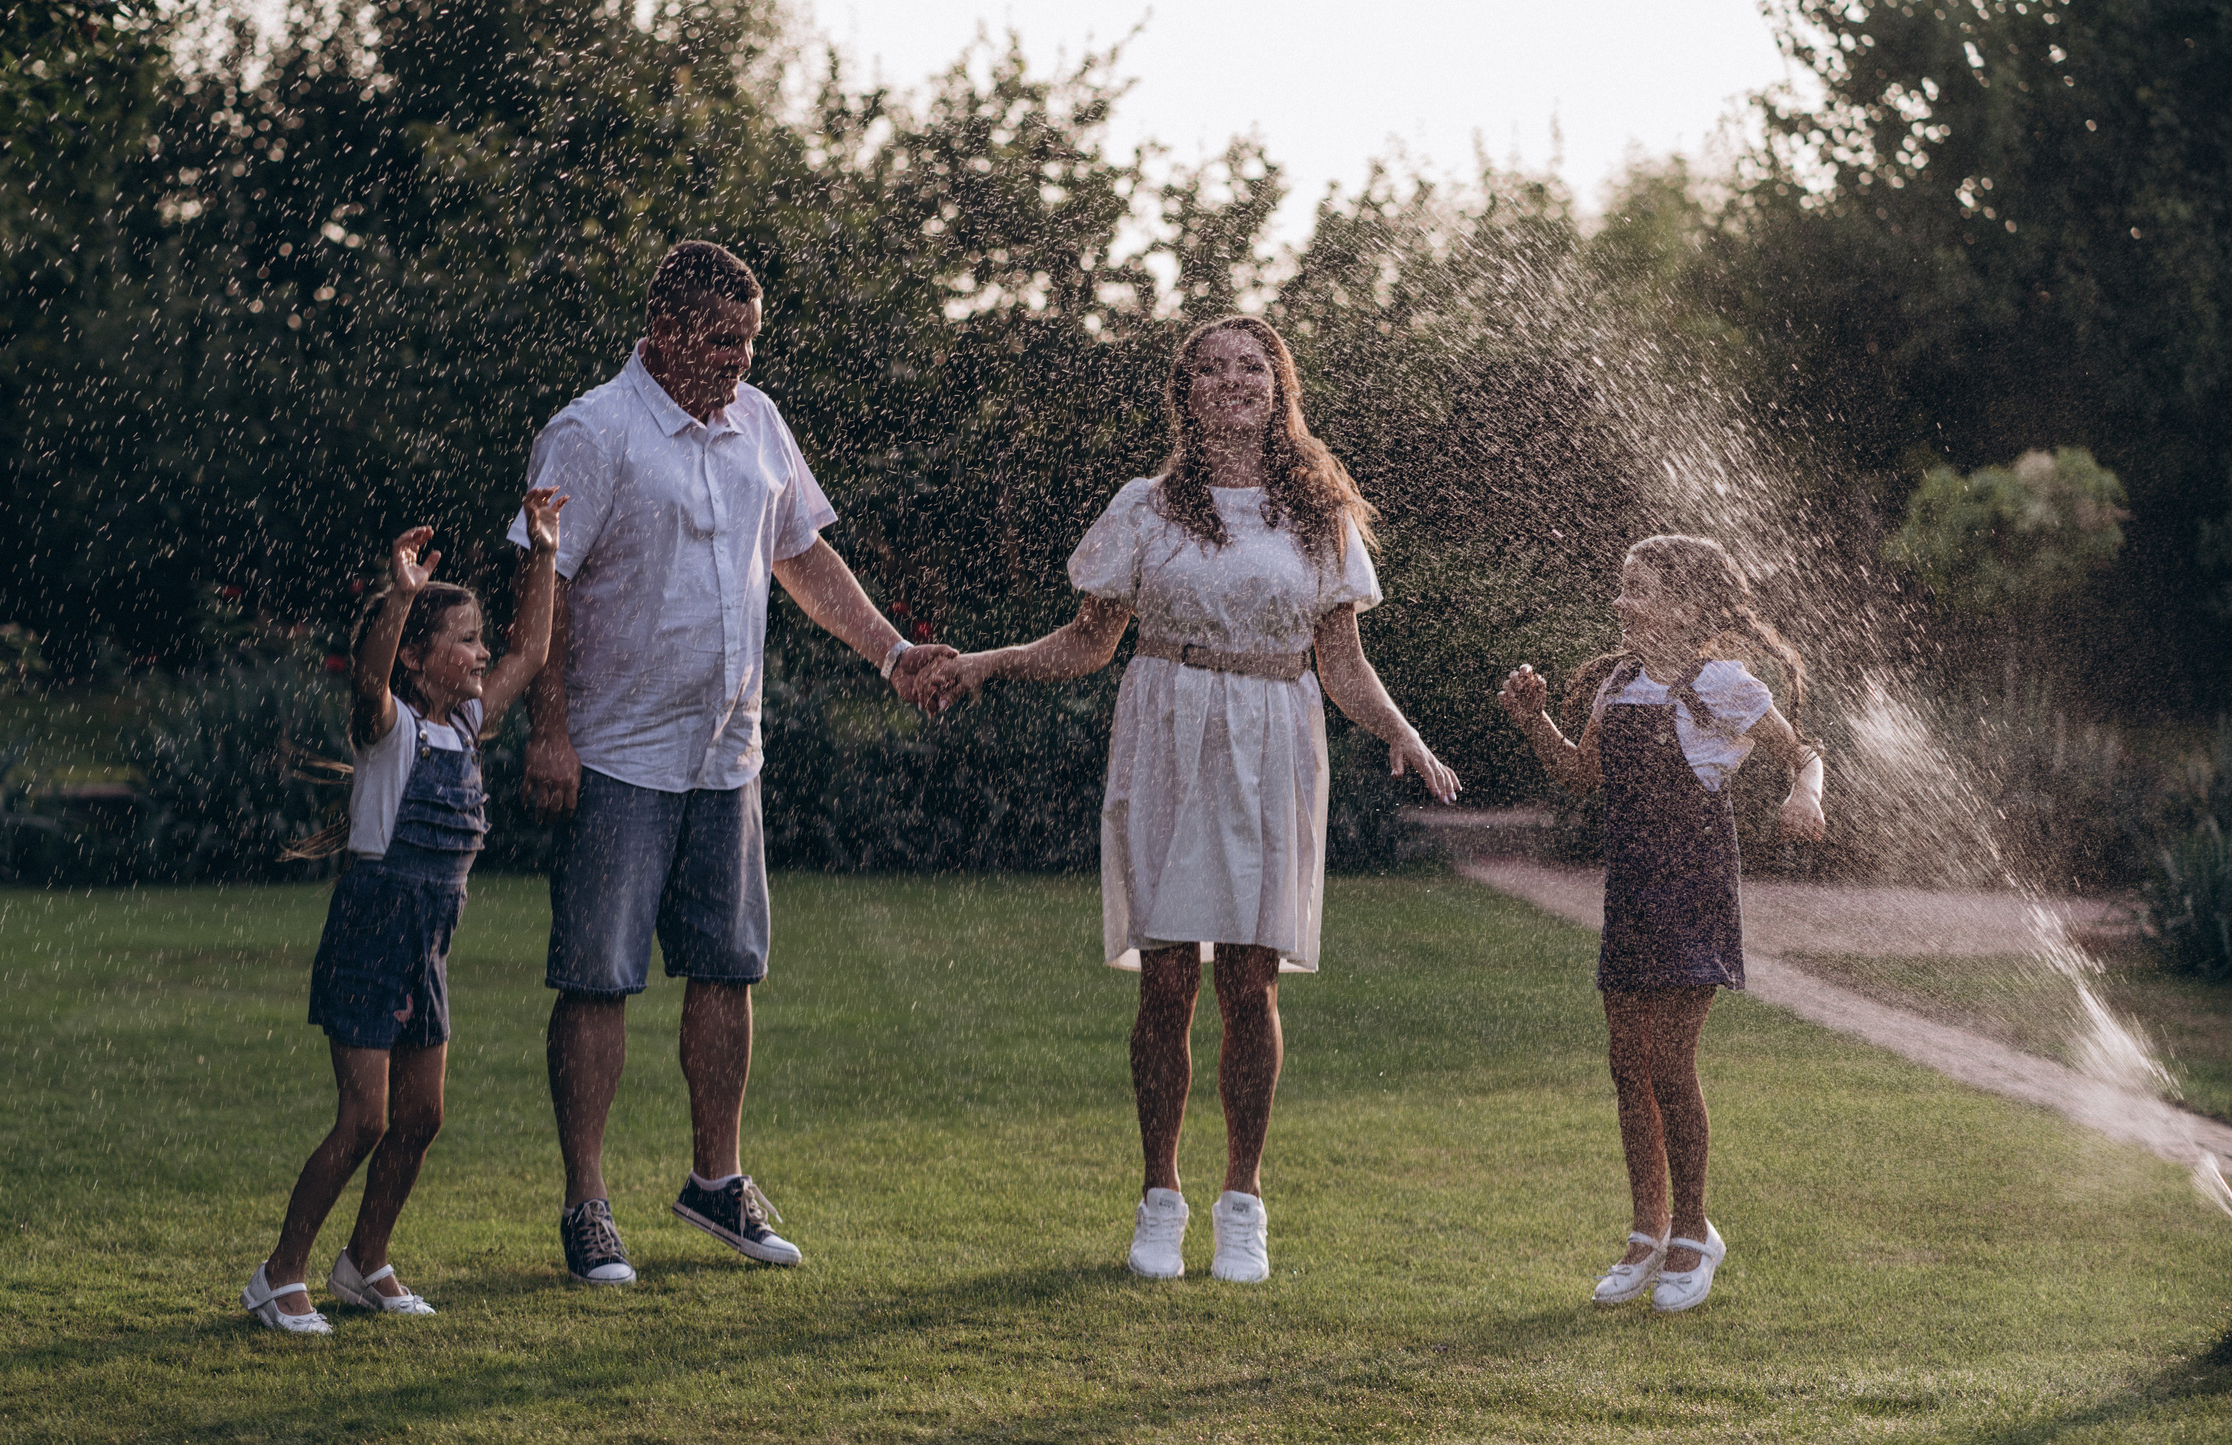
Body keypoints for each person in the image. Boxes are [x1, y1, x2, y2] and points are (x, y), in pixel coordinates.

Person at [926, 315, 1458, 1284]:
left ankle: (1243, 1201)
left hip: (1273, 735)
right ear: (1185, 394)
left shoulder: (1319, 511)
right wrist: (990, 664)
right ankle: (1160, 1199)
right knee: (1165, 977)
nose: (1230, 381)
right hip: (1166, 727)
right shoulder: (1147, 505)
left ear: (1278, 385)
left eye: (1249, 366)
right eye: (1209, 369)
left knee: (1249, 979)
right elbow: (1091, 640)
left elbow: (1341, 662)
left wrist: (1401, 732)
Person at [510, 239, 953, 1287]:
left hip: (726, 754)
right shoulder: (592, 431)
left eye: (750, 342)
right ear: (661, 332)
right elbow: (549, 591)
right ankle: (588, 1205)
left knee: (727, 969)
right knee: (598, 979)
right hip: (615, 753)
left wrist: (890, 652)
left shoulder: (757, 422)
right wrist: (550, 731)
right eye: (719, 340)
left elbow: (798, 553)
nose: (737, 361)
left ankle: (717, 1184)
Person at [241, 490, 564, 1333]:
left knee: (422, 1117)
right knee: (365, 1119)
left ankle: (365, 1261)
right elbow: (369, 675)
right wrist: (399, 595)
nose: (482, 650)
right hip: (371, 935)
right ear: (420, 659)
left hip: (427, 946)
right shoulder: (392, 732)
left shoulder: (465, 726)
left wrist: (543, 550)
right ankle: (279, 1276)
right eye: (464, 640)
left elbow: (533, 649)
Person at [1496, 535, 1827, 1314]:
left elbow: (1803, 752)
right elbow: (1582, 773)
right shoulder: (1620, 683)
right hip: (1633, 896)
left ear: (1684, 606)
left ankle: (1691, 1229)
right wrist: (1535, 720)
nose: (1620, 602)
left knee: (1671, 1066)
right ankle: (1645, 1231)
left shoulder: (1724, 686)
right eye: (1621, 584)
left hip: (1695, 896)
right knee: (1627, 1066)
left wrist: (1806, 795)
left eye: (1636, 588)